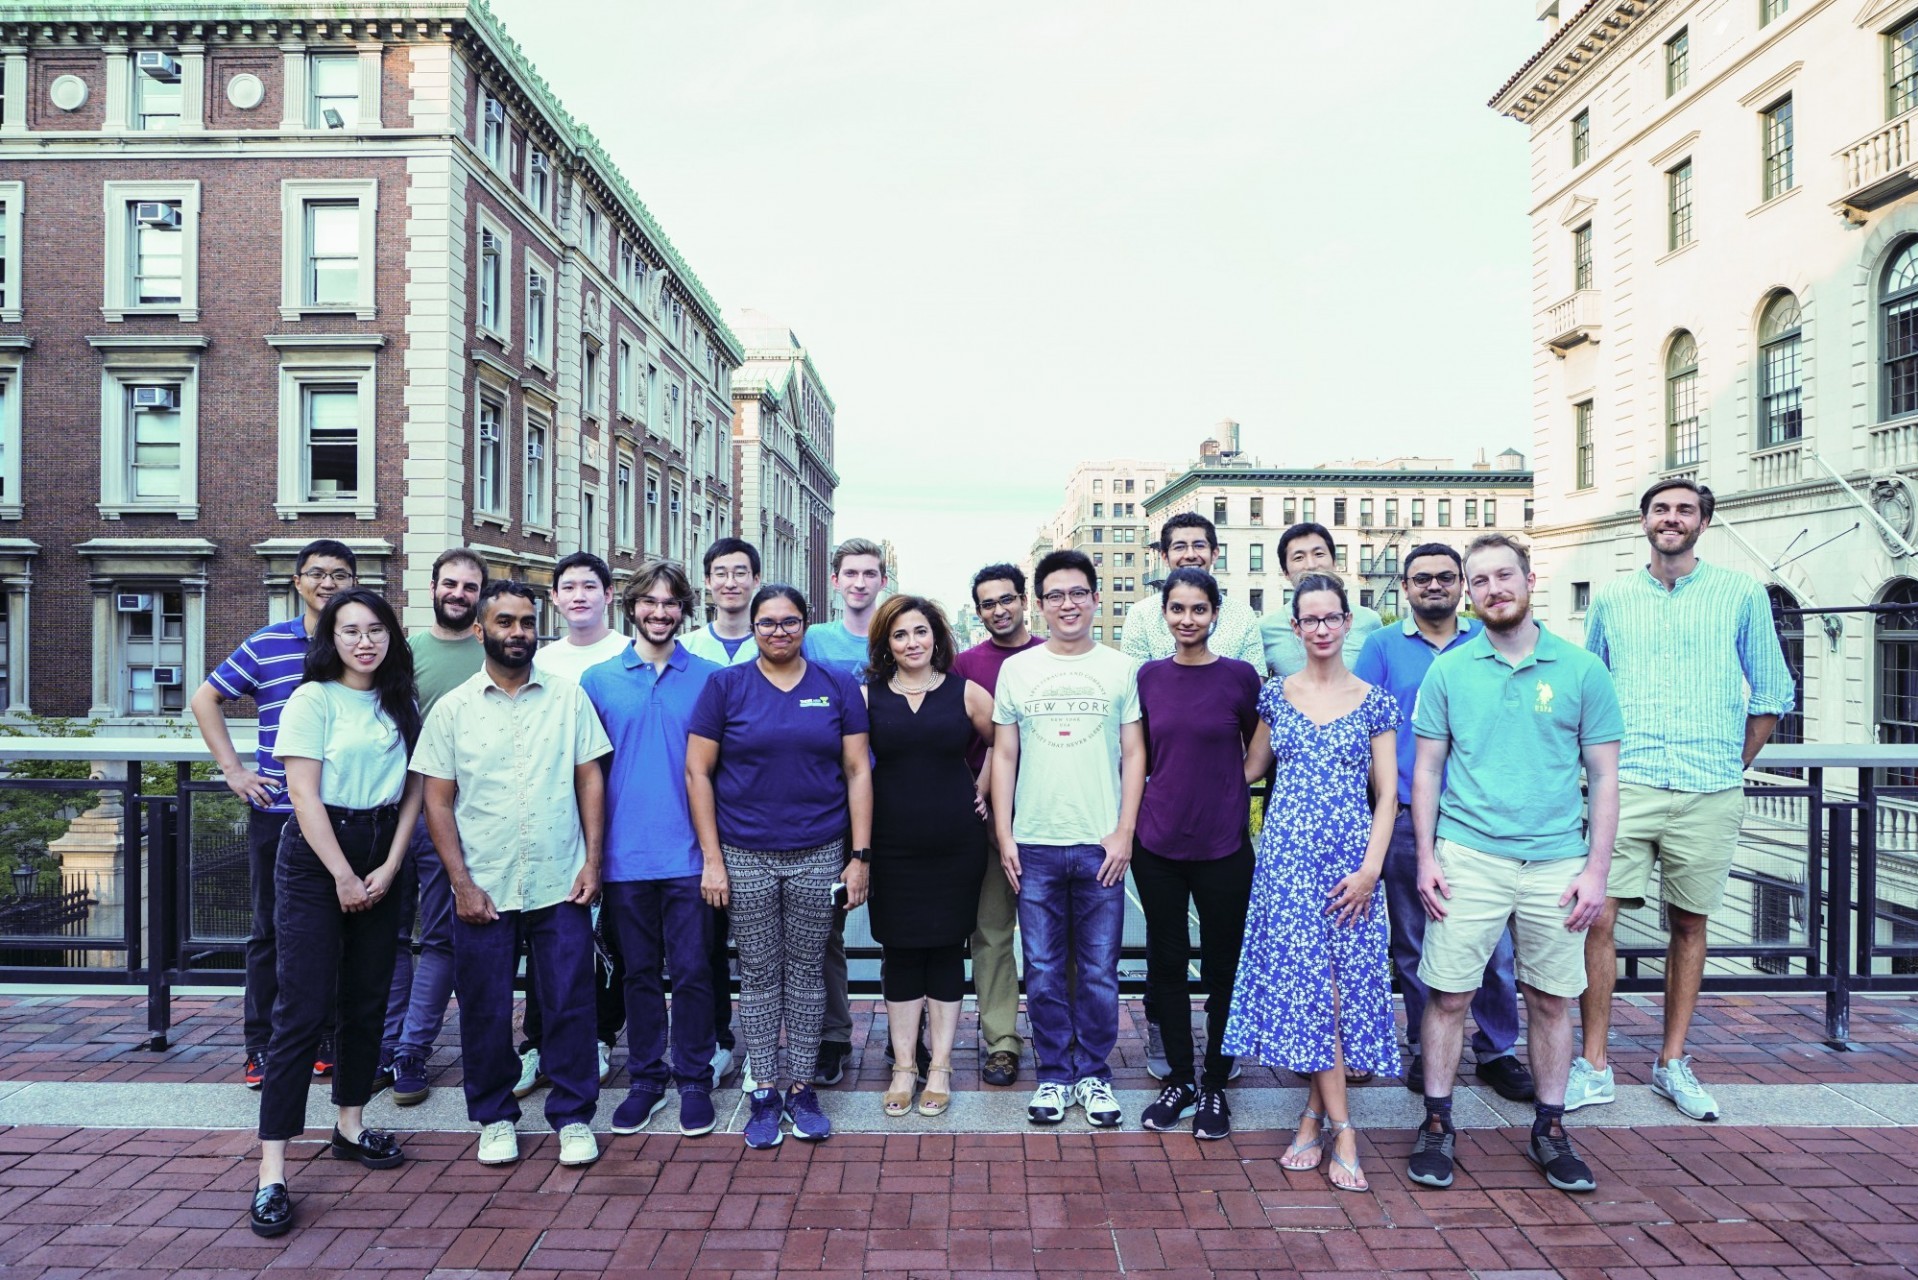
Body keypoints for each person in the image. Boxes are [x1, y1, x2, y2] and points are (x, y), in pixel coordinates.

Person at [1570, 478, 1794, 1121]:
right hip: (1627, 783)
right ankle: (1594, 1064)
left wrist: (1729, 762)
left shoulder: (1741, 594)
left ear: (1703, 522)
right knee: (1598, 919)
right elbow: (1593, 688)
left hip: (1709, 789)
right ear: (1643, 521)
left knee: (1689, 924)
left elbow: (1773, 693)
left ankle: (1672, 1062)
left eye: (1685, 510)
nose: (1672, 519)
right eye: (1661, 509)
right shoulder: (1612, 598)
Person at [1406, 534, 1621, 1196]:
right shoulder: (1450, 670)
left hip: (1557, 861)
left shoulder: (1582, 670)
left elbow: (1606, 778)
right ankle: (1438, 1122)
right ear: (1469, 592)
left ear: (1530, 580)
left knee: (1552, 1000)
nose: (1495, 588)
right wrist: (1426, 857)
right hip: (1468, 854)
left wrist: (1596, 871)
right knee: (1448, 995)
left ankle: (1550, 1129)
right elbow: (1429, 770)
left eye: (1506, 575)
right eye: (1482, 580)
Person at [412, 581, 612, 1170]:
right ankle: (495, 1117)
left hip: (560, 879)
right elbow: (437, 802)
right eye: (505, 622)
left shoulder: (569, 699)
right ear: (480, 630)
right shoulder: (452, 709)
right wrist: (461, 883)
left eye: (527, 622)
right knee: (484, 1005)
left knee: (571, 1001)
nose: (518, 632)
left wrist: (593, 860)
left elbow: (589, 780)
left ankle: (574, 1117)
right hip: (485, 884)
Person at [249, 588, 423, 1238]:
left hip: (383, 853)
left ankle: (350, 1125)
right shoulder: (312, 698)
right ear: (332, 638)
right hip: (319, 859)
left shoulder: (399, 701)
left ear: (390, 637)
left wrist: (390, 863)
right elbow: (302, 793)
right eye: (350, 630)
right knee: (301, 1007)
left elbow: (413, 790)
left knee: (368, 998)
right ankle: (272, 1171)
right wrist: (345, 875)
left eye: (375, 630)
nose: (363, 642)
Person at [1224, 574, 1398, 1191]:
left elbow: (1388, 795)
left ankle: (1311, 1117)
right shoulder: (1276, 695)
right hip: (1288, 864)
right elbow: (1247, 770)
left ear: (1348, 622)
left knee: (1342, 991)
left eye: (1331, 618)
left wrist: (1372, 868)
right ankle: (1343, 1130)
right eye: (1309, 620)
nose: (1321, 629)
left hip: (1352, 863)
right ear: (1294, 628)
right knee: (1313, 992)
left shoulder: (1374, 699)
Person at [689, 585, 873, 1148]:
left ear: (805, 625)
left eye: (789, 622)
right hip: (745, 853)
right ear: (753, 628)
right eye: (766, 624)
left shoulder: (837, 685)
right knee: (762, 974)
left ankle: (801, 1085)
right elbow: (699, 773)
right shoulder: (725, 686)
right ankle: (764, 1087)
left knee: (808, 972)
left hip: (818, 851)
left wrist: (859, 856)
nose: (777, 632)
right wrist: (713, 861)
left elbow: (857, 771)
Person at [1352, 544, 1535, 1104]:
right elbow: (1361, 725)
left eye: (1446, 578)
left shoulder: (1491, 642)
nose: (1434, 586)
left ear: (1462, 586)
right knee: (1412, 941)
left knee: (1496, 947)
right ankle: (1424, 1047)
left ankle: (1497, 1049)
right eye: (1421, 578)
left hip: (1479, 820)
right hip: (1408, 816)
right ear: (1405, 587)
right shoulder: (1382, 647)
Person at [192, 538, 358, 1088]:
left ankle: (329, 1036)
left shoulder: (363, 644)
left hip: (349, 812)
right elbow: (205, 698)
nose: (327, 583)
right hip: (280, 811)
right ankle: (259, 1045)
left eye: (338, 573)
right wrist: (235, 771)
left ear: (354, 582)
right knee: (269, 931)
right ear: (297, 582)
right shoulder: (267, 644)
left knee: (341, 928)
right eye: (316, 573)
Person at [991, 549, 1144, 1130]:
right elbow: (1004, 754)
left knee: (1101, 969)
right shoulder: (1017, 670)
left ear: (1096, 598)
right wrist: (1004, 833)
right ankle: (1055, 1074)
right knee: (1047, 968)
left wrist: (1124, 831)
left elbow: (1135, 753)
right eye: (1055, 595)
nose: (1068, 604)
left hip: (1100, 842)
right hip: (1034, 841)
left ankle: (1094, 1075)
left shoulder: (1121, 667)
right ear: (1040, 604)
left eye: (1078, 592)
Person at [1120, 512, 1264, 1081]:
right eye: (1177, 609)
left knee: (1225, 959)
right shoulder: (1148, 677)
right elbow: (1137, 750)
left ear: (1214, 614)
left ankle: (1216, 1069)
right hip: (1158, 840)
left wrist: (1236, 781)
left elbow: (1260, 741)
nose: (1187, 618)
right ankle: (1179, 1070)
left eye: (1198, 609)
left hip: (1224, 842)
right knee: (1167, 958)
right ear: (1164, 614)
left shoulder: (1239, 677)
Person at [581, 562, 723, 1139]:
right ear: (631, 607)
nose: (660, 612)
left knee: (692, 972)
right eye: (649, 602)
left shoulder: (712, 679)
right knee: (637, 973)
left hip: (691, 856)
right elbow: (585, 774)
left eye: (670, 603)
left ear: (684, 609)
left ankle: (693, 1078)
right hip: (623, 858)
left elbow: (724, 770)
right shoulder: (598, 680)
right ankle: (645, 1078)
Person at [862, 594, 995, 1118]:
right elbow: (851, 768)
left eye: (920, 632)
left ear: (936, 638)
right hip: (892, 845)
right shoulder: (868, 697)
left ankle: (939, 1065)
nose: (912, 642)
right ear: (886, 644)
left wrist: (982, 784)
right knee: (899, 951)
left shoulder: (966, 693)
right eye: (900, 635)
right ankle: (903, 1066)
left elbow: (1004, 743)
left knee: (945, 950)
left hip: (955, 843)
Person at [518, 551, 629, 1097]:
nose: (580, 595)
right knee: (549, 931)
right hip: (551, 816)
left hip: (620, 812)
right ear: (555, 599)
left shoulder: (629, 654)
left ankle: (602, 1035)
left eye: (591, 585)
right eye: (569, 587)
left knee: (608, 937)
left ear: (610, 595)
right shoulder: (540, 661)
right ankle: (536, 1040)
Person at [383, 547, 487, 1106]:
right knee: (391, 935)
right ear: (432, 587)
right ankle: (386, 1043)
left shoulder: (492, 652)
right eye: (450, 584)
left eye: (470, 587)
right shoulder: (403, 654)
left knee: (443, 936)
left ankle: (412, 1051)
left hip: (458, 818)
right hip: (394, 811)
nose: (458, 594)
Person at [951, 563, 1044, 1088]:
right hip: (986, 821)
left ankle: (1060, 1034)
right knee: (990, 935)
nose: (999, 610)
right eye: (988, 603)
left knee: (1056, 937)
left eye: (1007, 599)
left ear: (1024, 600)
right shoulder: (963, 664)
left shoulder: (1053, 654)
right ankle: (1002, 1041)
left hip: (1051, 818)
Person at [800, 537, 887, 1086]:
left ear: (883, 580)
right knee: (824, 931)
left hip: (897, 796)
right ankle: (834, 1035)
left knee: (906, 929)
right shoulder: (813, 640)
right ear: (835, 582)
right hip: (833, 798)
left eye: (870, 572)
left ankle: (917, 1036)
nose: (859, 582)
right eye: (850, 573)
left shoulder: (899, 631)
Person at [679, 537, 765, 1088]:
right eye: (720, 573)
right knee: (705, 944)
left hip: (764, 823)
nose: (730, 582)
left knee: (764, 948)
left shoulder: (778, 645)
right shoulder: (687, 651)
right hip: (702, 823)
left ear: (756, 580)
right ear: (707, 582)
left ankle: (767, 1045)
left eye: (740, 572)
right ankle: (716, 1040)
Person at [1261, 522, 1383, 677]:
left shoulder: (1369, 621)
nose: (1311, 565)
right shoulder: (1265, 628)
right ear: (1285, 572)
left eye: (1319, 554)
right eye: (1299, 557)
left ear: (1334, 562)